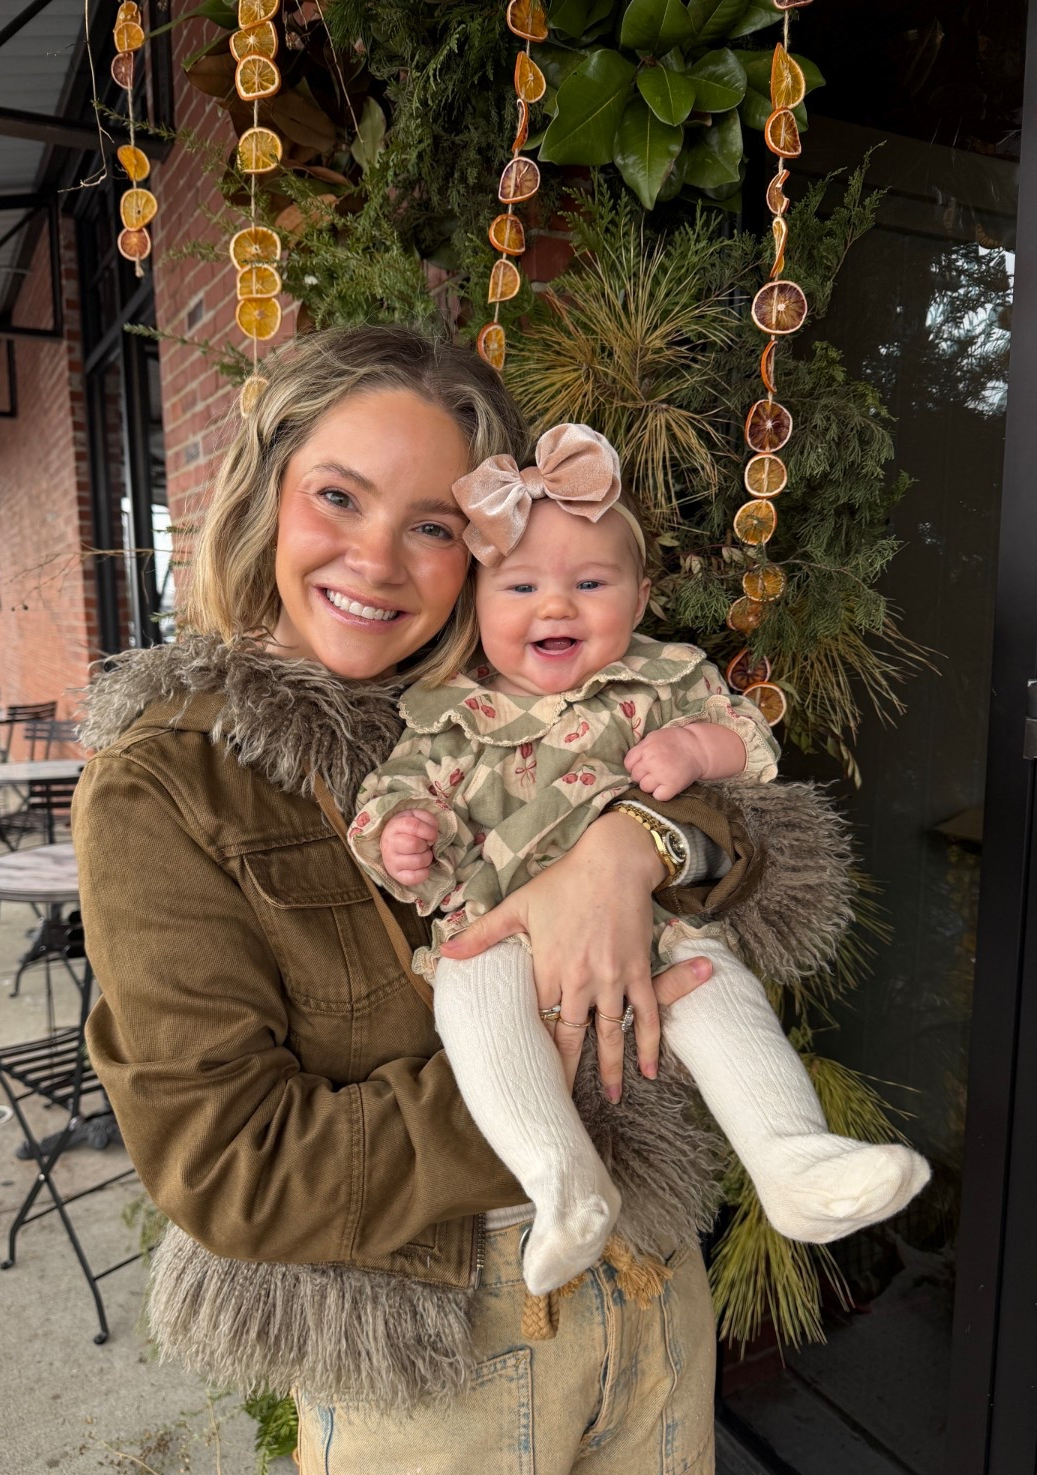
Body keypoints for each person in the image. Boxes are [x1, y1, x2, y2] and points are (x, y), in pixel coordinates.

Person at [74, 326, 856, 1475]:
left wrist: (629, 849)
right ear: (267, 493)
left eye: (434, 524)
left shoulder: (527, 689)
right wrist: (547, 1041)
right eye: (338, 497)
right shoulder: (169, 781)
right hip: (435, 1336)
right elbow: (228, 1167)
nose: (377, 559)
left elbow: (763, 842)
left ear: (482, 550)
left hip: (648, 1284)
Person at [351, 423, 929, 1297]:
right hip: (501, 929)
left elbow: (749, 738)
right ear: (478, 601)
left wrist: (697, 750)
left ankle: (793, 1160)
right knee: (470, 1002)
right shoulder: (446, 714)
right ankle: (562, 1184)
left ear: (641, 592)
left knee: (714, 989)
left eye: (591, 583)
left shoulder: (661, 680)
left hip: (655, 924)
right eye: (522, 585)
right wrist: (406, 835)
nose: (557, 607)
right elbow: (391, 797)